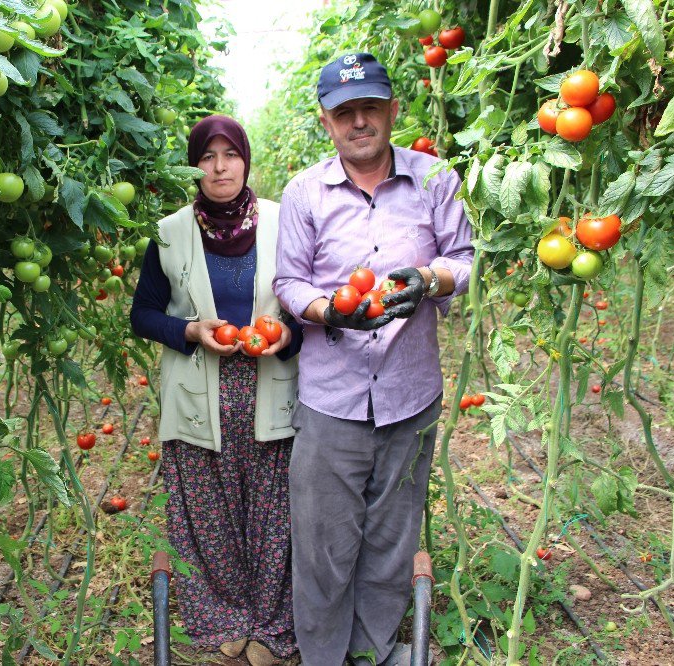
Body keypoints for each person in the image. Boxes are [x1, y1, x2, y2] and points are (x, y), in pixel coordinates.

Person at [273, 53, 474, 665]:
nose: (359, 122)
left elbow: (463, 259)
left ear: (392, 110)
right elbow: (290, 282)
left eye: (370, 108)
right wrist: (332, 311)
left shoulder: (436, 180)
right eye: (344, 113)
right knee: (323, 545)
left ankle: (374, 651)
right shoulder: (305, 191)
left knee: (391, 539)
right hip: (332, 398)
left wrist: (431, 279)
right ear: (327, 121)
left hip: (410, 395)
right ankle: (325, 657)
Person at [130, 114, 302, 666]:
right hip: (197, 394)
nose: (220, 166)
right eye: (208, 156)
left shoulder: (285, 222)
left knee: (275, 514)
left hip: (271, 389)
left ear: (246, 160)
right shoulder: (170, 231)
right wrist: (189, 331)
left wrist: (287, 337)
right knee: (208, 514)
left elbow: (306, 304)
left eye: (230, 155)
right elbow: (142, 315)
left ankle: (273, 626)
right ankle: (225, 618)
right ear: (194, 164)